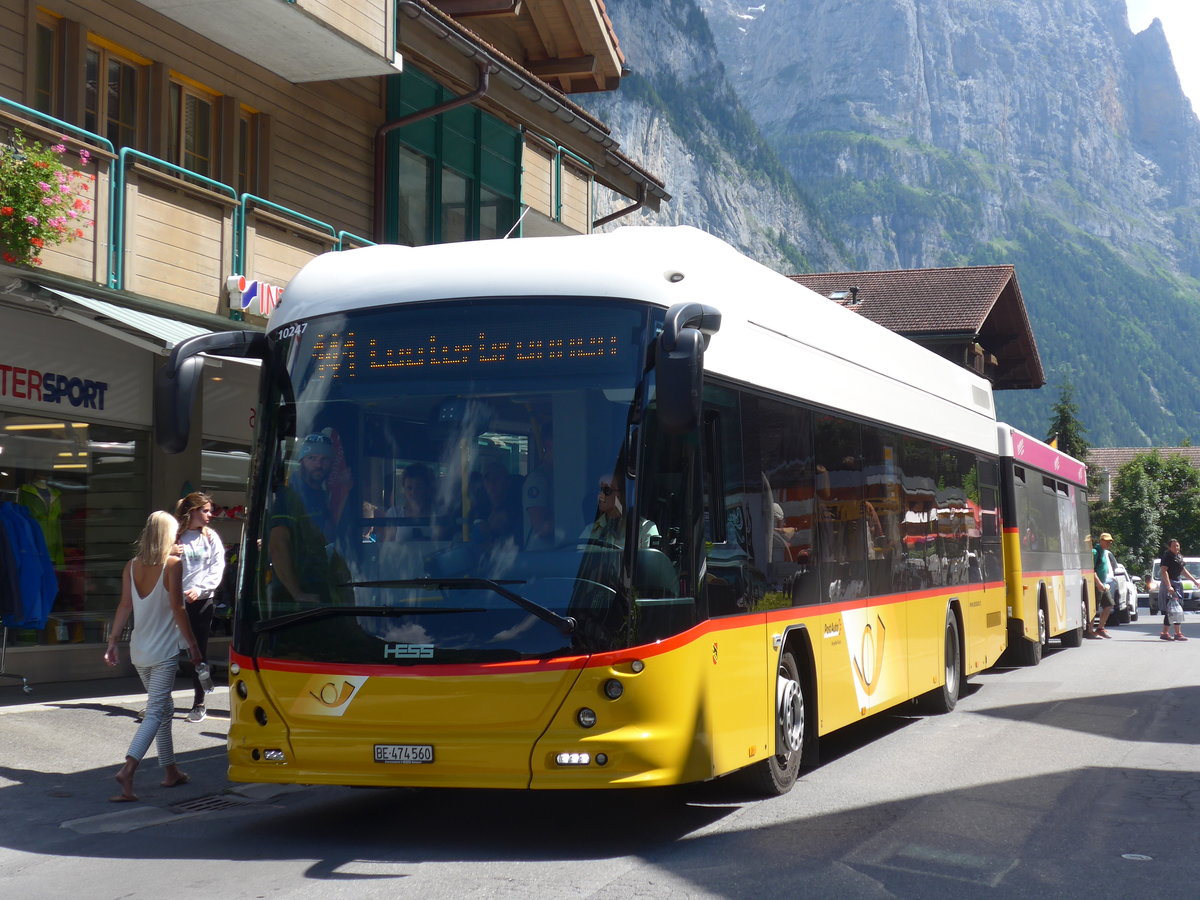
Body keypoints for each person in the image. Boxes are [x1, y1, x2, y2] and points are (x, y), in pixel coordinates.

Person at [103, 511, 201, 802]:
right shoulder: (173, 564)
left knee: (163, 709)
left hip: (139, 650)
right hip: (165, 651)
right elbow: (178, 609)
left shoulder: (131, 566)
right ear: (168, 536)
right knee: (156, 711)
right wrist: (193, 646)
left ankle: (171, 771)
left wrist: (112, 640)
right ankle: (128, 769)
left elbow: (124, 606)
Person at [268, 432, 339, 605]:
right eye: (312, 458)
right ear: (302, 461)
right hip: (293, 596)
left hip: (319, 584)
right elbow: (278, 546)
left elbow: (329, 536)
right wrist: (297, 593)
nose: (318, 464)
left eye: (324, 459)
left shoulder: (321, 496)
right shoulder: (289, 495)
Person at [174, 492, 225, 723]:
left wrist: (201, 589)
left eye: (210, 510)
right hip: (176, 600)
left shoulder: (210, 537)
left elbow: (217, 566)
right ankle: (159, 702)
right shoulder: (175, 536)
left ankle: (199, 702)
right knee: (167, 651)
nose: (209, 515)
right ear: (192, 511)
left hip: (202, 601)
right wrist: (170, 552)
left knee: (198, 652)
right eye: (204, 510)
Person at [579, 473, 659, 550]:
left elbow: (651, 562)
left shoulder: (645, 529)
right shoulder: (590, 531)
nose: (600, 496)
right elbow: (577, 560)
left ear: (624, 494)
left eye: (607, 490)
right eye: (599, 490)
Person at [1158, 538, 1194, 642]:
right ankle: (1176, 633)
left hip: (1177, 584)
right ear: (1169, 547)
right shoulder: (1167, 557)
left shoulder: (1178, 557)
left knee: (1176, 609)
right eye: (1173, 546)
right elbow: (1164, 571)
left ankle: (1166, 632)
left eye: (1177, 545)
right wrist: (1169, 586)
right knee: (1173, 609)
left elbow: (1183, 571)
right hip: (1170, 585)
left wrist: (1195, 581)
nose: (1176, 547)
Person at [1088, 533, 1116, 638]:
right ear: (1101, 541)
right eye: (1106, 541)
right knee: (1093, 609)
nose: (1109, 543)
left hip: (1103, 585)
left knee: (1109, 605)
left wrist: (1104, 584)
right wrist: (1098, 583)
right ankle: (1090, 631)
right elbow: (1091, 570)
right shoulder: (1095, 552)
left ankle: (1100, 628)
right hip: (1096, 585)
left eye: (1110, 541)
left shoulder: (1104, 552)